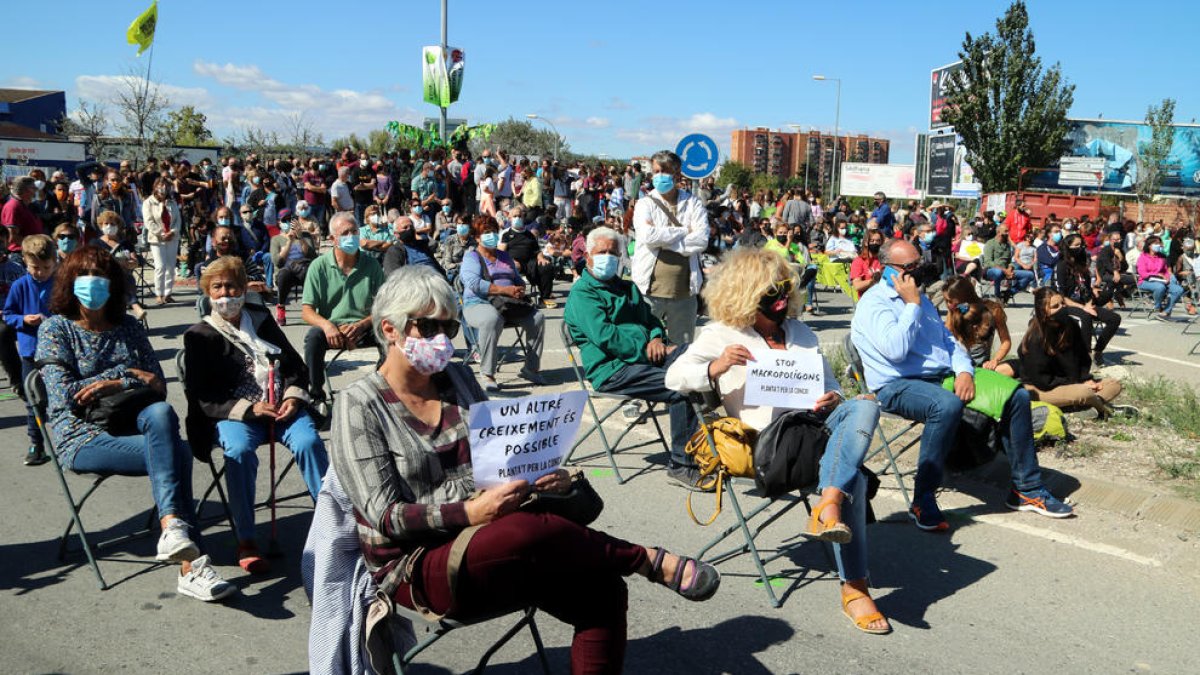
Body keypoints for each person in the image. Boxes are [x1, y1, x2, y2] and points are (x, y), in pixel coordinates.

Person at [329, 265, 719, 672]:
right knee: (524, 530)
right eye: (428, 327)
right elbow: (385, 515)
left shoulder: (458, 378)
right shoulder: (359, 404)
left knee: (602, 590)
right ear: (389, 329)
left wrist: (548, 477)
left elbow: (498, 460)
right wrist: (468, 512)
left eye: (450, 328)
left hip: (496, 538)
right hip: (417, 565)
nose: (441, 340)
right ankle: (644, 558)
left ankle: (626, 564)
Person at [665, 247, 890, 634]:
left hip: (817, 428)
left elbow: (830, 384)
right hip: (769, 443)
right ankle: (854, 587)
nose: (783, 301)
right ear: (745, 294)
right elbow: (674, 378)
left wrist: (833, 396)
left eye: (786, 290)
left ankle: (828, 505)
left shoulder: (801, 333)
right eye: (772, 294)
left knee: (864, 405)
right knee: (852, 474)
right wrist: (714, 368)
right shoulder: (720, 335)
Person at [35, 246, 234, 601]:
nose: (93, 283)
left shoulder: (127, 325)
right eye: (85, 275)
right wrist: (126, 374)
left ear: (113, 284)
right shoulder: (56, 329)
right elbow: (64, 395)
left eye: (101, 276)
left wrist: (115, 382)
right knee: (177, 452)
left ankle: (172, 528)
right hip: (83, 435)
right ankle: (192, 565)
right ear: (70, 281)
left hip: (134, 423)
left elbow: (157, 383)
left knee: (160, 413)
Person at [851, 239, 1073, 531]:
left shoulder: (922, 300)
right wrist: (912, 305)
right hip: (897, 384)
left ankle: (1026, 489)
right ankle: (923, 499)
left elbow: (949, 344)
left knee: (1016, 395)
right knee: (946, 405)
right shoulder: (875, 303)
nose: (919, 271)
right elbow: (896, 350)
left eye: (920, 263)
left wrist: (964, 371)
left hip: (942, 375)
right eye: (911, 267)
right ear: (888, 270)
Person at [184, 256, 329, 573]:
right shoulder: (199, 335)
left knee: (308, 442)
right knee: (239, 449)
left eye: (232, 286)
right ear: (208, 292)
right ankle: (246, 537)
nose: (226, 294)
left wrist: (292, 396)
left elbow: (293, 367)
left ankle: (334, 525)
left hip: (280, 408)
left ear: (242, 288)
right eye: (218, 287)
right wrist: (249, 409)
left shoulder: (260, 318)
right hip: (236, 414)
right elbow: (203, 397)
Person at [563, 226, 706, 490]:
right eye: (602, 252)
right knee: (681, 387)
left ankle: (710, 441)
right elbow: (606, 336)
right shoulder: (583, 294)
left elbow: (650, 319)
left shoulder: (626, 288)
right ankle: (681, 465)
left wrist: (656, 339)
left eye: (613, 253)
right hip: (612, 369)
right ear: (589, 256)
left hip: (644, 358)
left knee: (698, 359)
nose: (609, 257)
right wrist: (648, 348)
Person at [301, 213, 387, 403]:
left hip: (364, 327)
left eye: (354, 231)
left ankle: (385, 388)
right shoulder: (319, 266)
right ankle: (316, 395)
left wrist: (363, 325)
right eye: (345, 233)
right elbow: (307, 310)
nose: (351, 236)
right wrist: (328, 326)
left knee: (390, 332)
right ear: (333, 239)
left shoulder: (371, 264)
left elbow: (384, 306)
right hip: (332, 329)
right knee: (313, 338)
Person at [631, 150, 709, 345]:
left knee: (681, 349)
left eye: (664, 171)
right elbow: (648, 236)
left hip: (684, 292)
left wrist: (664, 240)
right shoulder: (645, 204)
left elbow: (701, 240)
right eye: (656, 171)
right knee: (645, 344)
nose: (659, 176)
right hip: (649, 290)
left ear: (677, 173)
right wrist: (683, 231)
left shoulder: (693, 203)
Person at [460, 215, 545, 392]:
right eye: (486, 233)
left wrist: (519, 288)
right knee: (492, 319)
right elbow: (473, 283)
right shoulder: (472, 257)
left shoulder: (505, 256)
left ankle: (530, 368)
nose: (491, 235)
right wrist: (504, 290)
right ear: (477, 237)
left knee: (537, 318)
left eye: (493, 232)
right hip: (478, 303)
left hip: (508, 304)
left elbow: (516, 278)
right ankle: (488, 373)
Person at [1019, 288, 1127, 417]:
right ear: (1043, 311)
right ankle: (1102, 410)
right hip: (1040, 388)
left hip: (1069, 383)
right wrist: (1077, 384)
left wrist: (1085, 380)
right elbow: (1042, 380)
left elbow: (1082, 360)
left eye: (1063, 304)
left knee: (1113, 384)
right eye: (1055, 306)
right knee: (1084, 393)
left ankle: (1082, 408)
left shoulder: (1070, 326)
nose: (1062, 308)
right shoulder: (1036, 337)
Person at [3, 234, 57, 465]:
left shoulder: (61, 283)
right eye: (35, 267)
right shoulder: (19, 285)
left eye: (46, 267)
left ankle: (71, 442)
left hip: (57, 351)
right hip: (30, 351)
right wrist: (24, 319)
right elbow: (8, 314)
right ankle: (36, 443)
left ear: (55, 262)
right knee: (32, 401)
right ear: (25, 262)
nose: (41, 272)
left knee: (61, 397)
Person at [1052, 233, 1123, 365]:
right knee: (1086, 317)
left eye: (1082, 245)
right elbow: (1059, 296)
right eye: (1077, 245)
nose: (1080, 248)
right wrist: (1083, 307)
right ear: (1068, 247)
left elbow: (1086, 290)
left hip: (1083, 303)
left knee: (1115, 318)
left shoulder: (1082, 267)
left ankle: (1098, 351)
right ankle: (1086, 357)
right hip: (1065, 305)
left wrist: (1089, 303)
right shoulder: (1061, 266)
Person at [942, 277, 1017, 378]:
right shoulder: (953, 312)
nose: (948, 305)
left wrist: (995, 360)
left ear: (964, 297)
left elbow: (1006, 341)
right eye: (946, 301)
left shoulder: (992, 310)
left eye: (950, 301)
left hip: (983, 367)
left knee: (1015, 366)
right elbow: (945, 342)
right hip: (959, 367)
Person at [270, 214, 319, 325]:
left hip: (303, 268)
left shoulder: (305, 236)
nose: (288, 223)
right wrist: (289, 242)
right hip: (286, 270)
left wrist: (300, 237)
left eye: (291, 220)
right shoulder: (276, 239)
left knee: (309, 273)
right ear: (279, 223)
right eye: (285, 220)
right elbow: (278, 262)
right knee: (283, 274)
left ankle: (310, 309)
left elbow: (312, 256)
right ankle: (281, 307)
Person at [142, 177, 181, 305]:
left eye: (166, 185)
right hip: (157, 239)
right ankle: (159, 293)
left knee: (171, 267)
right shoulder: (148, 202)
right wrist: (161, 233)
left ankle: (168, 293)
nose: (163, 187)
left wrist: (173, 232)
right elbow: (149, 221)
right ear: (155, 186)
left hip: (172, 238)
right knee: (160, 266)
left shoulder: (172, 202)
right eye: (160, 185)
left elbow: (178, 220)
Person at [1137, 235, 1185, 319]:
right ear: (1149, 245)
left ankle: (1166, 310)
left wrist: (1167, 277)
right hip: (1145, 281)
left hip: (1162, 280)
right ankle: (1157, 307)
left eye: (1159, 243)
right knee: (1160, 287)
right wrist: (1157, 274)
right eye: (1156, 243)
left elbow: (1165, 271)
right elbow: (1143, 273)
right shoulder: (1143, 257)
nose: (1159, 245)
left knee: (1178, 290)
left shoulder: (1161, 257)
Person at [2, 176, 45, 252]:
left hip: (29, 252)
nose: (36, 190)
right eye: (33, 188)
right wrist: (35, 246)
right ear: (24, 190)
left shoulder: (25, 205)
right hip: (19, 253)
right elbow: (12, 236)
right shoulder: (13, 206)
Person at [850, 230, 884, 295]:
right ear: (866, 242)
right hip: (867, 299)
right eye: (872, 241)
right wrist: (873, 281)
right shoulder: (859, 261)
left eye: (878, 241)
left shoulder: (884, 260)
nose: (875, 243)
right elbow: (857, 286)